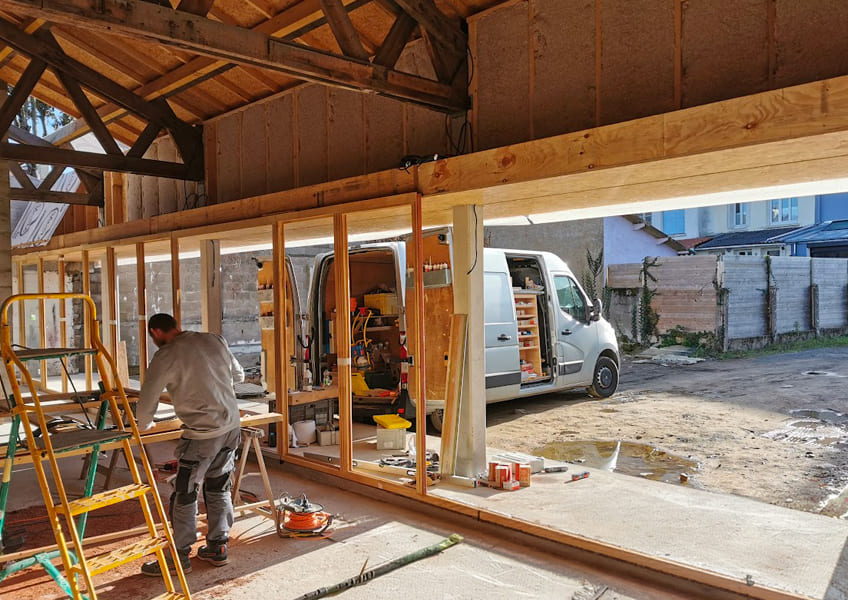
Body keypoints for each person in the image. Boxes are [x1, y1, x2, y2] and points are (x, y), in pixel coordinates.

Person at [135, 313, 245, 576]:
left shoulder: (166, 355)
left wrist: (142, 426)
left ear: (155, 333)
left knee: (185, 491)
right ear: (177, 326)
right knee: (218, 484)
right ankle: (218, 547)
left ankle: (180, 556)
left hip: (203, 435)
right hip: (231, 428)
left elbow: (148, 398)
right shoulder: (213, 340)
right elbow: (238, 376)